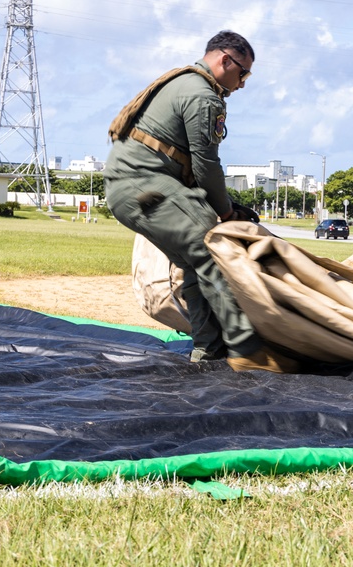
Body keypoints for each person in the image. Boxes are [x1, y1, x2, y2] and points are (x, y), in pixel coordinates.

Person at [104, 30, 297, 373]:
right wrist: (225, 212)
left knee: (195, 265)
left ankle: (209, 352)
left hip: (130, 189)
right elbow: (205, 164)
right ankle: (249, 351)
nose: (242, 84)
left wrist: (228, 205)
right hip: (146, 185)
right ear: (225, 60)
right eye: (243, 74)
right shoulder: (202, 95)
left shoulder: (181, 82)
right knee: (212, 251)